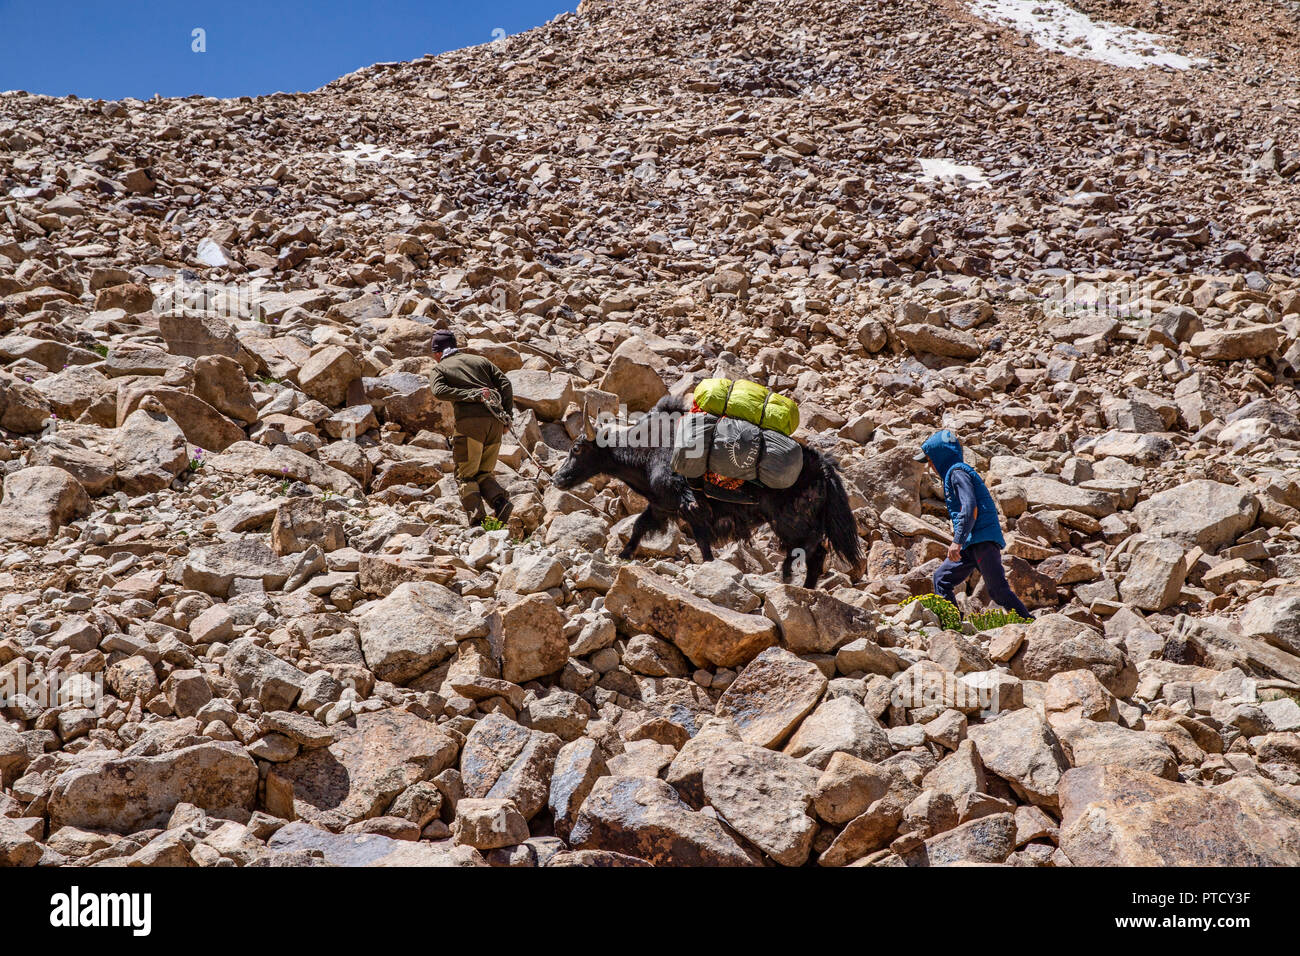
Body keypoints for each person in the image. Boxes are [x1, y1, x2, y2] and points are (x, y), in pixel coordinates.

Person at [914, 429, 1031, 619]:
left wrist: (957, 541)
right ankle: (952, 626)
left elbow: (970, 508)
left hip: (981, 540)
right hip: (972, 541)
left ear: (940, 457)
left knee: (998, 591)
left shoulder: (956, 472)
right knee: (941, 578)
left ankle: (1029, 623)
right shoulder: (956, 472)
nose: (930, 467)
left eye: (930, 460)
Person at [428, 329, 515, 525]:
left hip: (470, 426)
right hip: (495, 424)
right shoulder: (480, 361)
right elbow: (506, 384)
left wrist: (472, 395)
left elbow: (438, 391)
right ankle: (500, 503)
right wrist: (508, 417)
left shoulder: (440, 368)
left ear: (437, 353)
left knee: (465, 475)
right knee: (483, 473)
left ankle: (478, 523)